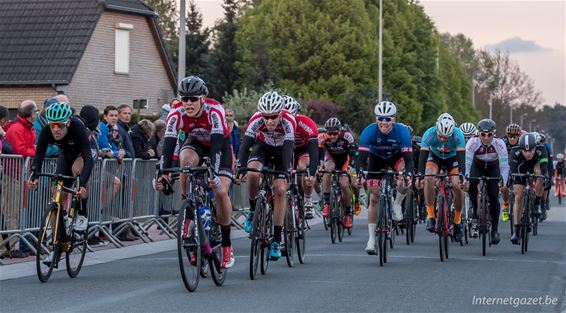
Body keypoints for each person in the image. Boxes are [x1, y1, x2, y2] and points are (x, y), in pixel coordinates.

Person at [158, 76, 235, 268]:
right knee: (186, 161)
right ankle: (188, 203)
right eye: (185, 99)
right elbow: (168, 146)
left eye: (193, 99)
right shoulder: (176, 114)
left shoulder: (214, 110)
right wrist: (163, 172)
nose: (189, 103)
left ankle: (226, 245)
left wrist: (214, 174)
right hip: (197, 144)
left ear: (203, 98)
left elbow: (217, 147)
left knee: (220, 191)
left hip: (220, 147)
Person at [28, 102, 95, 262]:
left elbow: (88, 159)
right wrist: (34, 176)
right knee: (56, 193)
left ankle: (82, 213)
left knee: (77, 171)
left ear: (68, 122)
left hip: (84, 152)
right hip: (65, 154)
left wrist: (82, 184)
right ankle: (56, 246)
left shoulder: (78, 128)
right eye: (52, 125)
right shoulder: (46, 131)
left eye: (60, 125)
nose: (56, 129)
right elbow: (38, 157)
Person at [236, 91, 296, 261]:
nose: (269, 121)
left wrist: (284, 172)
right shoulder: (256, 120)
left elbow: (288, 150)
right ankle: (253, 209)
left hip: (282, 152)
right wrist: (240, 166)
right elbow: (245, 144)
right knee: (252, 172)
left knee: (280, 189)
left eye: (273, 117)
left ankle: (277, 239)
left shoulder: (289, 122)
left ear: (281, 113)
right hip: (262, 148)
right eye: (266, 117)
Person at [356, 101, 413, 255]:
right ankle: (371, 240)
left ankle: (396, 204)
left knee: (403, 175)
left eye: (388, 119)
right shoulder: (369, 132)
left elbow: (408, 160)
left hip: (396, 158)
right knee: (374, 197)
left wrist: (408, 173)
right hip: (376, 159)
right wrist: (361, 172)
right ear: (376, 119)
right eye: (381, 118)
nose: (384, 122)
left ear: (394, 120)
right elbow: (361, 159)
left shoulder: (402, 132)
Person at [417, 113, 466, 241]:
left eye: (446, 137)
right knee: (428, 177)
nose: (443, 139)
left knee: (457, 185)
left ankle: (457, 222)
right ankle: (431, 216)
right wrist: (420, 176)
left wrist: (462, 176)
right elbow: (422, 158)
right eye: (441, 136)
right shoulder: (429, 134)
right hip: (435, 157)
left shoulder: (458, 135)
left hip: (453, 158)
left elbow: (462, 159)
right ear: (436, 129)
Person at [464, 119, 509, 244]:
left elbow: (504, 166)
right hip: (477, 166)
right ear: (478, 134)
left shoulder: (499, 144)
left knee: (494, 196)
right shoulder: (472, 143)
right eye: (483, 134)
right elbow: (467, 163)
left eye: (489, 135)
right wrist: (466, 178)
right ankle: (474, 207)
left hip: (493, 167)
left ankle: (494, 229)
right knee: (472, 183)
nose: (486, 138)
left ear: (493, 134)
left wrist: (503, 182)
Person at [509, 133, 548, 244]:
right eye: (525, 151)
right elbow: (512, 168)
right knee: (518, 197)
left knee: (540, 175)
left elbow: (544, 165)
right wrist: (511, 178)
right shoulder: (515, 151)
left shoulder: (541, 149)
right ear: (521, 149)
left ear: (535, 147)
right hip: (520, 167)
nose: (528, 153)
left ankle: (536, 202)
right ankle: (516, 229)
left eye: (531, 150)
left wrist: (545, 177)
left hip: (535, 166)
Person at [284, 96, 318, 219]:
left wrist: (312, 174)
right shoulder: (276, 124)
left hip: (303, 150)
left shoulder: (305, 123)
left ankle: (308, 201)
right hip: (287, 150)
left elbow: (314, 151)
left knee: (303, 166)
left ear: (296, 113)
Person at [318, 117, 356, 228]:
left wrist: (350, 166)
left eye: (335, 133)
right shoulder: (322, 137)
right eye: (330, 134)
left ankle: (348, 213)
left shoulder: (347, 136)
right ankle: (326, 202)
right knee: (327, 170)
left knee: (344, 184)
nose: (332, 136)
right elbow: (318, 154)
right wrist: (318, 166)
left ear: (339, 131)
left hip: (345, 159)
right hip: (331, 158)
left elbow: (353, 153)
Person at [499, 123, 522, 222]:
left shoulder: (522, 142)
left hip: (518, 166)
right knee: (504, 188)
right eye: (510, 136)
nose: (512, 139)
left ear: (518, 136)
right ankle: (505, 206)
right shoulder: (502, 142)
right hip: (506, 166)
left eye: (515, 136)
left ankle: (522, 207)